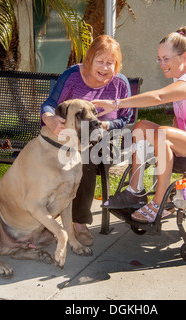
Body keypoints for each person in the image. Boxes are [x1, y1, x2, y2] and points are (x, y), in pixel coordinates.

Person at [93, 26, 186, 223]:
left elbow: (159, 97)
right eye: (159, 59)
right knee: (141, 126)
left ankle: (159, 202)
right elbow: (179, 119)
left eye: (166, 59)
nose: (161, 64)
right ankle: (135, 190)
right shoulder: (182, 76)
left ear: (185, 56)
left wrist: (116, 104)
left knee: (161, 135)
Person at [41, 35, 132, 245]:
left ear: (117, 65)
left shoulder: (120, 83)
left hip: (104, 138)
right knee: (57, 158)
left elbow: (127, 117)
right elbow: (49, 104)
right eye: (100, 61)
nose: (104, 67)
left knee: (86, 159)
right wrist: (50, 119)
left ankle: (79, 223)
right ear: (89, 59)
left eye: (110, 63)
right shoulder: (73, 75)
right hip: (68, 135)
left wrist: (108, 125)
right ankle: (45, 219)